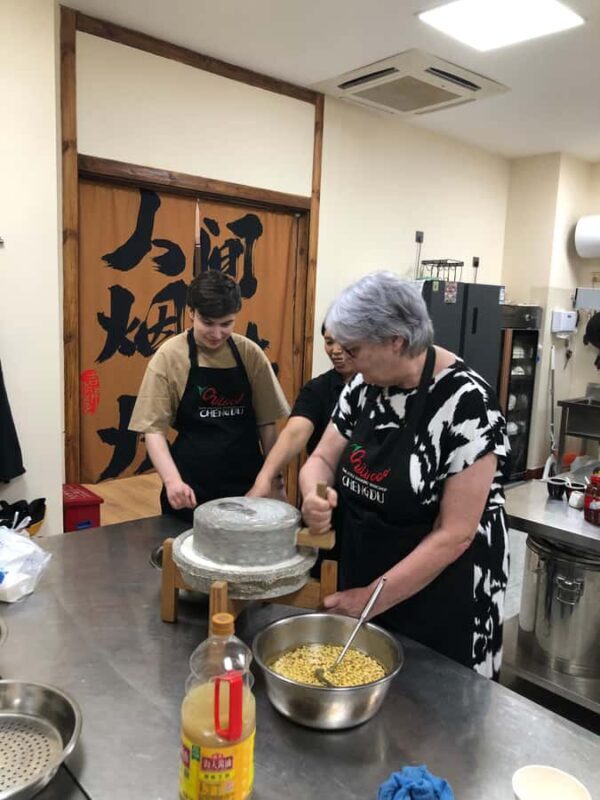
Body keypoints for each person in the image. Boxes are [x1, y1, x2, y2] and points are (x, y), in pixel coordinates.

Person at [300, 272, 510, 679]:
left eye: (355, 349)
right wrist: (313, 495)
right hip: (367, 570)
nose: (348, 360)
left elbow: (456, 533)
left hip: (441, 591)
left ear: (395, 340)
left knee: (430, 713)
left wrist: (371, 599)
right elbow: (321, 459)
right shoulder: (364, 387)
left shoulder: (467, 403)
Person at [129, 271, 290, 522]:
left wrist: (274, 483)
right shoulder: (170, 356)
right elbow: (153, 430)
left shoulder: (249, 354)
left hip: (247, 486)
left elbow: (266, 425)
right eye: (208, 322)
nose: (216, 333)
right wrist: (172, 481)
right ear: (191, 312)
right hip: (191, 485)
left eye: (226, 324)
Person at [247, 324, 355, 499]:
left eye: (344, 342)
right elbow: (294, 432)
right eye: (329, 342)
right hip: (325, 491)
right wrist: (266, 478)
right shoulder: (318, 389)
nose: (335, 350)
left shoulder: (380, 386)